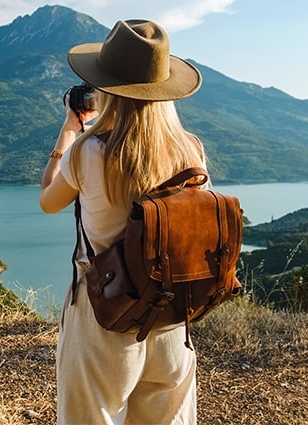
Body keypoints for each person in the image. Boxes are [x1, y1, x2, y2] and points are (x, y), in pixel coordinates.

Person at [39, 20, 207, 424]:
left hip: (104, 317)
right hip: (169, 317)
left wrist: (68, 131)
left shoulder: (88, 151)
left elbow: (48, 201)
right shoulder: (191, 152)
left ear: (105, 88)